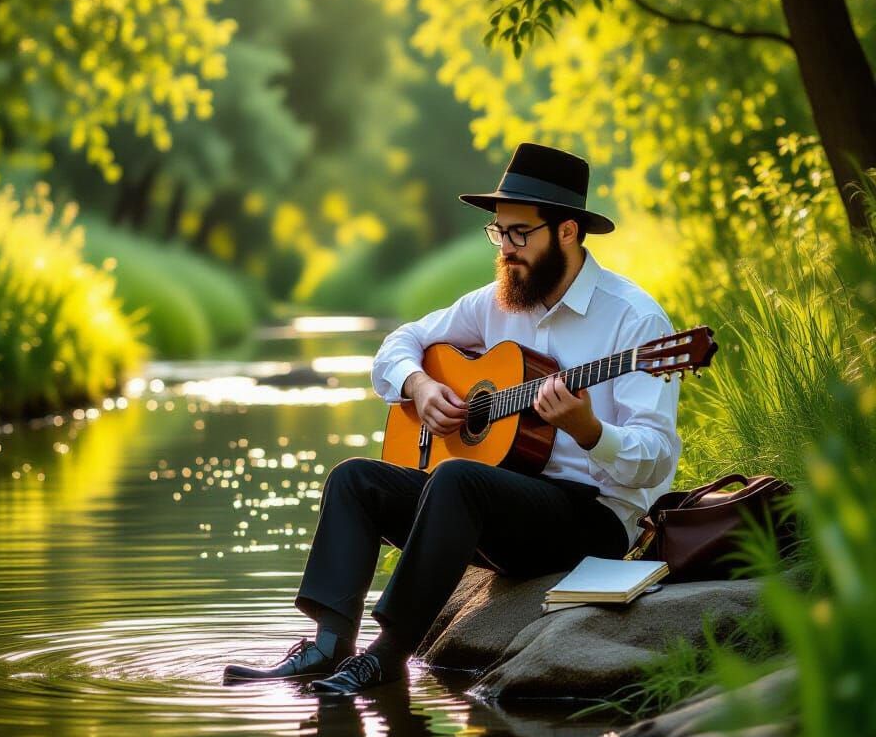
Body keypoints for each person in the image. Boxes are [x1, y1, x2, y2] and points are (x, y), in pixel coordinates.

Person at [223, 143, 681, 695]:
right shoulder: (496, 303)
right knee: (356, 479)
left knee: (457, 478)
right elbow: (400, 342)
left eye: (520, 233)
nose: (505, 248)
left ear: (566, 232)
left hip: (592, 518)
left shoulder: (635, 322)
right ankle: (328, 645)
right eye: (499, 232)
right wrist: (419, 384)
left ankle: (388, 654)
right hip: (495, 507)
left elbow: (653, 462)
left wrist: (589, 430)